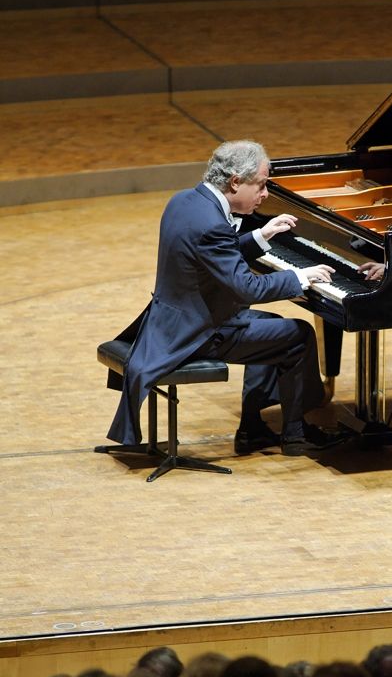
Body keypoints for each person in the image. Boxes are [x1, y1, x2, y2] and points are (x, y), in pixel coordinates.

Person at [105, 139, 344, 456]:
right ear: (235, 182)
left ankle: (252, 429)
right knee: (298, 336)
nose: (265, 194)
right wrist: (299, 276)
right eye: (260, 185)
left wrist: (261, 236)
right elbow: (247, 288)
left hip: (171, 321)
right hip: (199, 333)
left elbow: (215, 259)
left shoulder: (185, 201)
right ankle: (296, 435)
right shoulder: (213, 225)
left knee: (271, 326)